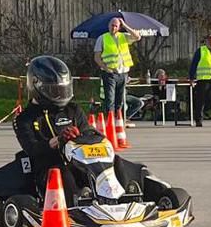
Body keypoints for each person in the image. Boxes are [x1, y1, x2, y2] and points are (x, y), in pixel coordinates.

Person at [14, 56, 104, 206]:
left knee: (114, 163)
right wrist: (58, 140)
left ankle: (126, 195)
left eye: (62, 90)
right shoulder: (24, 118)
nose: (60, 95)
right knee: (63, 171)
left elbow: (88, 132)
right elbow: (32, 149)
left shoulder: (73, 109)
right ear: (37, 86)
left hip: (79, 162)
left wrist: (79, 135)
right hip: (47, 168)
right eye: (54, 91)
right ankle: (76, 203)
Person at [94, 16, 142, 116]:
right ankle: (110, 120)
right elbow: (97, 57)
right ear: (108, 26)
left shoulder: (124, 36)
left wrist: (125, 25)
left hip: (123, 74)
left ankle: (118, 120)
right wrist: (106, 68)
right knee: (110, 100)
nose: (113, 28)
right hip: (110, 74)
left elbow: (137, 37)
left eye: (116, 26)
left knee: (120, 100)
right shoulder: (102, 38)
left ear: (119, 27)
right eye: (112, 25)